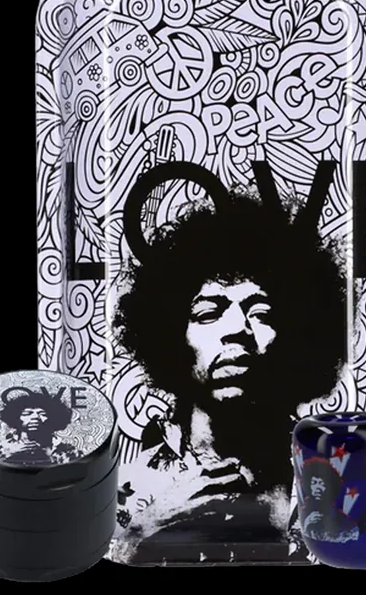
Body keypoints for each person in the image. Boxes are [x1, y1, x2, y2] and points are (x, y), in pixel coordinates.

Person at [114, 192, 349, 548]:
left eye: (261, 313)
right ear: (169, 338)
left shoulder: (339, 478)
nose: (238, 328)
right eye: (208, 313)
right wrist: (141, 535)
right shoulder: (127, 489)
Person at [0, 390, 77, 466]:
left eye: (42, 414)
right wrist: (8, 454)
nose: (35, 417)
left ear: (52, 418)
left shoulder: (68, 450)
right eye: (27, 414)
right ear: (15, 418)